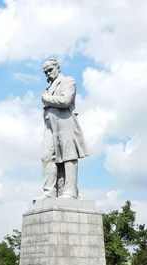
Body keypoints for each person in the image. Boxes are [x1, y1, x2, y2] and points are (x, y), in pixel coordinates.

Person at [39, 58, 89, 199]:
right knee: (46, 157)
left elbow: (66, 100)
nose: (48, 74)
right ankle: (49, 192)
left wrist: (47, 99)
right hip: (50, 126)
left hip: (65, 123)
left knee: (69, 156)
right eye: (45, 72)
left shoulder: (68, 81)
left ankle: (70, 191)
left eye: (50, 70)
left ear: (58, 68)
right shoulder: (48, 89)